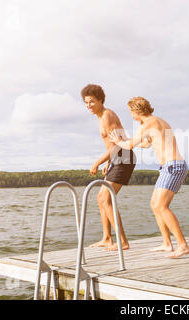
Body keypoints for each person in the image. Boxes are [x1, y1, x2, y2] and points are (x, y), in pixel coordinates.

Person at [109, 96, 189, 258]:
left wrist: (117, 141)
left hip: (173, 166)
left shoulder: (147, 124)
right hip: (170, 167)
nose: (131, 115)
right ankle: (167, 243)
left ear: (136, 111)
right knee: (155, 204)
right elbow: (146, 144)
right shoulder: (158, 121)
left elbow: (130, 145)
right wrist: (125, 140)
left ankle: (182, 245)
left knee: (161, 206)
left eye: (131, 112)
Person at [81, 84, 136, 251]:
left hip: (124, 157)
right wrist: (107, 163)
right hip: (116, 158)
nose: (88, 105)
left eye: (91, 102)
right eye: (86, 102)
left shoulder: (107, 116)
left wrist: (97, 162)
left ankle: (123, 242)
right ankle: (106, 238)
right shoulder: (100, 117)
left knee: (105, 198)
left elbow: (117, 146)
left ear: (100, 100)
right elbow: (112, 144)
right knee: (101, 199)